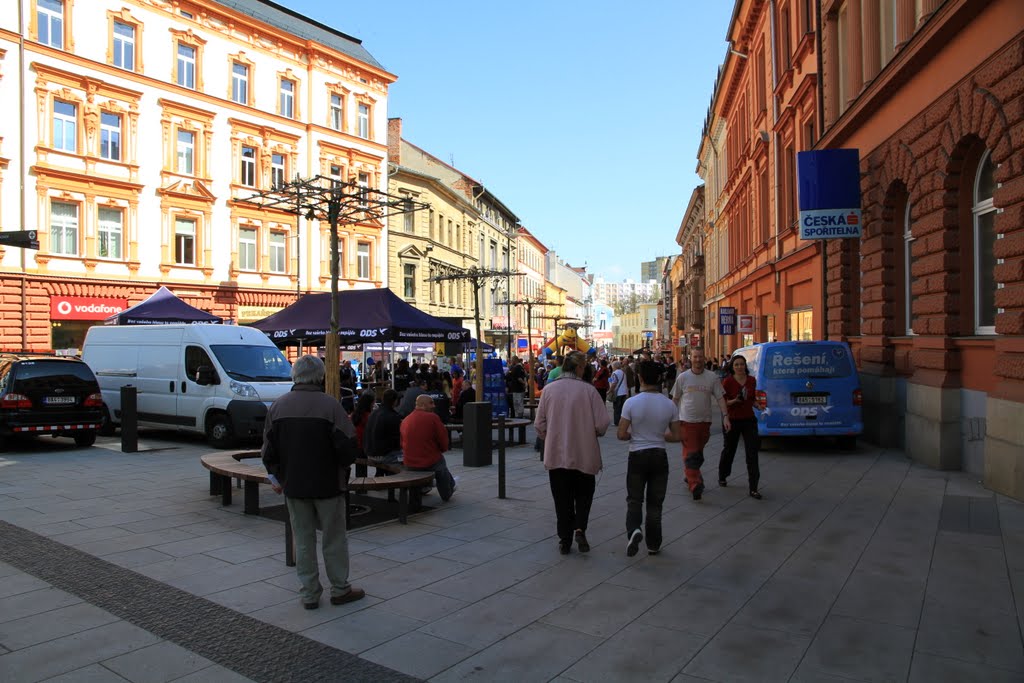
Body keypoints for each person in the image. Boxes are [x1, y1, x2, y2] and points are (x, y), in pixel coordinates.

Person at [261, 355, 364, 609]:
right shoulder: (331, 406)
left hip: (294, 486)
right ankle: (340, 589)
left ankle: (309, 594)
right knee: (334, 538)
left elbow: (267, 452)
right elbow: (349, 447)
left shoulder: (277, 407)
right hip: (328, 484)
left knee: (303, 539)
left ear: (294, 376)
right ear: (320, 376)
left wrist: (278, 477)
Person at [536, 351, 611, 554]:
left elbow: (539, 424)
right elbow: (603, 423)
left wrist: (550, 436)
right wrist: (592, 432)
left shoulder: (549, 390)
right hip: (584, 453)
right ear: (579, 368)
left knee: (562, 498)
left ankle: (564, 539)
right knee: (584, 495)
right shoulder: (589, 391)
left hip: (557, 455)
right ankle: (579, 528)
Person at [617, 361, 680, 557]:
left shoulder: (631, 403)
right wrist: (660, 435)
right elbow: (677, 436)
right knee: (655, 503)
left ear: (641, 378)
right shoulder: (669, 404)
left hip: (637, 454)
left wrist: (633, 435)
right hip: (659, 455)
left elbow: (621, 433)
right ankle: (653, 544)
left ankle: (634, 530)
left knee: (634, 500)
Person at [671, 348, 730, 501]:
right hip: (687, 422)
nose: (698, 359)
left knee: (697, 453)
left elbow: (720, 398)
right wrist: (671, 419)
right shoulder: (683, 378)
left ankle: (689, 473)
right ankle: (695, 484)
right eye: (695, 357)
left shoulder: (712, 377)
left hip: (705, 423)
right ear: (691, 358)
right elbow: (675, 399)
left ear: (704, 358)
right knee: (692, 453)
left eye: (700, 357)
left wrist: (725, 416)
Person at [719, 354, 761, 499]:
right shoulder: (727, 382)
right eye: (736, 364)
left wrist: (758, 405)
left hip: (749, 420)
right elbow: (723, 402)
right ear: (732, 367)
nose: (739, 367)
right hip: (732, 420)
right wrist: (735, 400)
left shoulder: (751, 380)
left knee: (752, 453)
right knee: (729, 450)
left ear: (745, 366)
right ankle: (723, 475)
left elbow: (752, 399)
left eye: (742, 364)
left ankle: (754, 487)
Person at [400, 394, 456, 501]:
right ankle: (446, 493)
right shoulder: (432, 417)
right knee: (440, 465)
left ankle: (424, 489)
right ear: (422, 405)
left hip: (409, 462)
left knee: (438, 462)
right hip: (428, 461)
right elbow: (443, 439)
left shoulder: (406, 420)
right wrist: (441, 449)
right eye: (431, 403)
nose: (434, 406)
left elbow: (402, 443)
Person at [364, 389, 403, 466]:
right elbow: (397, 440)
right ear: (395, 401)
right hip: (383, 455)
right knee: (407, 456)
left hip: (370, 453)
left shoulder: (374, 413)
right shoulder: (393, 416)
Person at [609, 360, 629, 426]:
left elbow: (614, 383)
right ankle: (621, 420)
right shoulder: (623, 372)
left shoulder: (615, 373)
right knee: (622, 408)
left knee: (617, 408)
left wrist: (609, 390)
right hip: (624, 392)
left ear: (614, 366)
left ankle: (616, 422)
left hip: (618, 393)